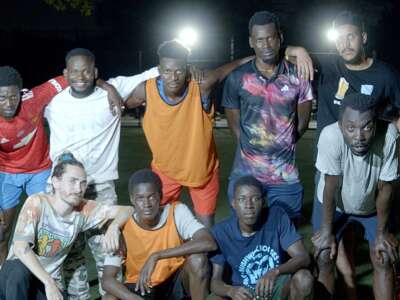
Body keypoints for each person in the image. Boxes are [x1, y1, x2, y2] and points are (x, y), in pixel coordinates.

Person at [286, 10, 400, 298]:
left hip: (371, 172)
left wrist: (390, 133)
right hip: (333, 168)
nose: (345, 43)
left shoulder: (385, 74)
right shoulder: (325, 64)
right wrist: (296, 50)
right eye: (340, 37)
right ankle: (346, 284)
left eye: (351, 36)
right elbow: (277, 52)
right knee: (325, 251)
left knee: (382, 254)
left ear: (363, 38)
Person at [45, 48, 159, 298]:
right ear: (65, 73)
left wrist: (107, 86)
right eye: (74, 71)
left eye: (87, 70)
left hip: (100, 186)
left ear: (96, 72)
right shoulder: (53, 100)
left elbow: (154, 73)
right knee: (70, 255)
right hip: (62, 190)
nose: (81, 76)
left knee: (108, 251)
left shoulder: (114, 88)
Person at [126, 40, 252, 228]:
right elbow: (122, 102)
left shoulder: (202, 84)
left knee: (206, 229)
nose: (173, 77)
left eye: (179, 70)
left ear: (187, 68)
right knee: (156, 222)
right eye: (167, 71)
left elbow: (232, 66)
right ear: (159, 69)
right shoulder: (146, 90)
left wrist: (284, 51)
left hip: (202, 170)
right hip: (165, 169)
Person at [0, 152, 133, 300]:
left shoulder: (83, 209)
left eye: (83, 183)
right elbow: (20, 248)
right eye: (73, 181)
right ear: (56, 182)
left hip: (45, 285)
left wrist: (114, 227)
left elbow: (128, 210)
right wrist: (48, 282)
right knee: (18, 270)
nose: (79, 188)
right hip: (16, 280)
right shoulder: (37, 202)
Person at [222, 11, 314, 222]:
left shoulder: (298, 75)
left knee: (284, 239)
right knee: (247, 237)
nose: (266, 44)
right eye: (260, 39)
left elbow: (302, 123)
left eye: (270, 38)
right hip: (245, 175)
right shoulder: (237, 78)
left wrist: (282, 143)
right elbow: (235, 127)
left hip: (285, 178)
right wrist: (255, 150)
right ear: (251, 42)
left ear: (280, 37)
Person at [311, 93, 398, 300]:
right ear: (341, 126)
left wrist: (381, 233)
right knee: (324, 255)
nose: (359, 136)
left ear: (376, 124)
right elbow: (331, 186)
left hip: (371, 205)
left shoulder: (389, 135)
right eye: (351, 128)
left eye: (366, 127)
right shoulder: (330, 136)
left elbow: (386, 188)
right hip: (335, 204)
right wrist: (326, 230)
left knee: (383, 255)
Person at [101, 169, 217, 300]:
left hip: (175, 283)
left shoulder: (177, 212)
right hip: (142, 288)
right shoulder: (122, 224)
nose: (146, 204)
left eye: (151, 196)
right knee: (109, 298)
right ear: (132, 199)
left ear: (160, 196)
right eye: (140, 198)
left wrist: (157, 255)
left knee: (198, 259)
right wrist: (132, 298)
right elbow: (107, 279)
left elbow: (208, 242)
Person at [0, 66, 68, 265]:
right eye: (2, 98)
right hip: (6, 172)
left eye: (13, 97)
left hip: (40, 170)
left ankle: (41, 281)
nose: (9, 103)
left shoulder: (34, 98)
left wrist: (105, 86)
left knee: (44, 231)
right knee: (2, 231)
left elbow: (73, 74)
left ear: (21, 93)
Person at [210, 175, 313, 300]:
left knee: (304, 278)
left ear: (263, 202)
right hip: (243, 293)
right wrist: (230, 291)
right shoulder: (221, 232)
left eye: (255, 199)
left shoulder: (276, 217)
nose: (249, 205)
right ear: (233, 204)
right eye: (242, 199)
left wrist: (275, 271)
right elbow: (215, 282)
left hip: (274, 286)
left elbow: (303, 257)